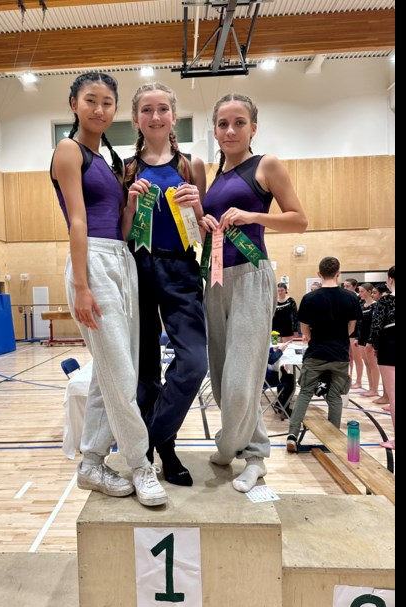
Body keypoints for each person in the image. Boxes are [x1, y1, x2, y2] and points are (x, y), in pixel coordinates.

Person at [49, 72, 167, 507]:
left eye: (107, 103)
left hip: (121, 259)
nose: (99, 110)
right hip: (93, 262)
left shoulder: (109, 160)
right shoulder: (68, 150)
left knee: (109, 371)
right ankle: (139, 463)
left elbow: (119, 225)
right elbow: (77, 222)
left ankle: (92, 461)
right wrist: (81, 285)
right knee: (120, 372)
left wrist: (133, 201)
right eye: (91, 101)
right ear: (74, 104)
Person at [199, 93, 307, 491]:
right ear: (214, 130)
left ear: (253, 128)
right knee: (222, 372)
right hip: (214, 279)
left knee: (243, 378)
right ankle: (249, 450)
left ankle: (242, 451)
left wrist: (251, 216)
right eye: (223, 123)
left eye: (239, 122)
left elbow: (300, 221)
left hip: (251, 276)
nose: (230, 130)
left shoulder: (267, 165)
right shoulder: (215, 175)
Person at [122, 82, 208, 486]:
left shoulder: (193, 166)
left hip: (181, 270)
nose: (155, 117)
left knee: (194, 361)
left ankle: (151, 437)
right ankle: (165, 453)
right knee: (144, 370)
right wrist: (131, 204)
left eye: (162, 109)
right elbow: (122, 232)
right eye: (146, 110)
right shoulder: (126, 168)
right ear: (136, 118)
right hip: (137, 268)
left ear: (173, 115)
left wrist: (198, 207)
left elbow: (202, 231)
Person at [286, 257, 362, 452]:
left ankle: (292, 435)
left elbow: (303, 328)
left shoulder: (310, 298)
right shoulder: (351, 297)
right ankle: (333, 437)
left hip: (316, 352)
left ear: (319, 274)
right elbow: (352, 327)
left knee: (305, 393)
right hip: (339, 355)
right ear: (339, 273)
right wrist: (338, 338)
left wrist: (313, 339)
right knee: (335, 396)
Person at [370, 265, 395, 449]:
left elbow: (377, 326)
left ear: (391, 281)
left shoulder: (385, 301)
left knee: (394, 395)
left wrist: (376, 345)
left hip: (390, 344)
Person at [270, 282, 298, 416]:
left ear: (286, 290)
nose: (280, 292)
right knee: (276, 349)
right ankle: (278, 368)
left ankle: (286, 369)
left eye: (282, 290)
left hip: (287, 327)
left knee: (287, 349)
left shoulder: (290, 301)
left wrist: (296, 329)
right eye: (278, 290)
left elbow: (295, 315)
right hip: (275, 328)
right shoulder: (273, 300)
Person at [342, 278, 363, 388]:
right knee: (348, 356)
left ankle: (359, 380)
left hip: (356, 331)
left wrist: (358, 335)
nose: (345, 288)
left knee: (356, 357)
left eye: (348, 286)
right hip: (346, 329)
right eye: (344, 286)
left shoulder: (359, 299)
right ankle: (347, 377)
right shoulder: (344, 298)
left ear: (355, 287)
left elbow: (359, 318)